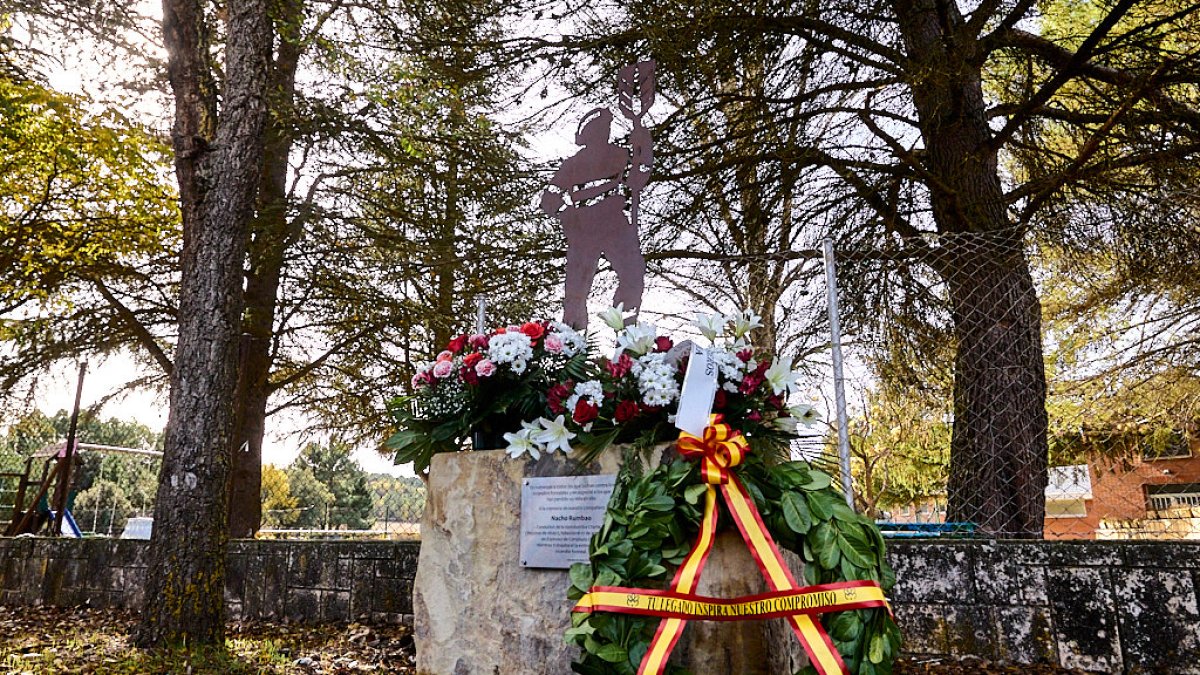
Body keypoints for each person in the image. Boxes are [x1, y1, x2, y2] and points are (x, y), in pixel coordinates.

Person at [541, 108, 646, 329]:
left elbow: (639, 173)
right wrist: (566, 215)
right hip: (584, 226)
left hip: (615, 223)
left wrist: (642, 145)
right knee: (576, 288)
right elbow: (549, 198)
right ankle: (573, 339)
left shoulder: (621, 155)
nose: (603, 133)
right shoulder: (571, 165)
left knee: (632, 274)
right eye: (598, 129)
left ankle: (627, 330)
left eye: (606, 128)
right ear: (587, 134)